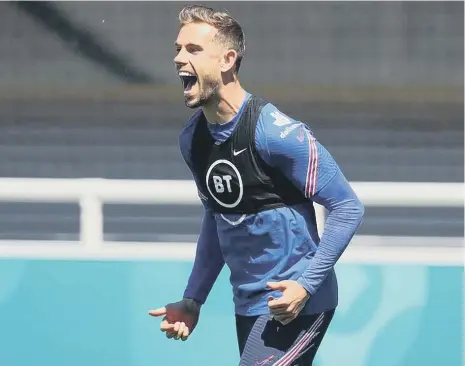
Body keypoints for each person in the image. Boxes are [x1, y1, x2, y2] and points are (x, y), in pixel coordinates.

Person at [149, 4, 365, 365]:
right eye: (178, 49)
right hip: (249, 305)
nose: (178, 58)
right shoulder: (193, 141)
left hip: (297, 304)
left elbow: (347, 207)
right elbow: (218, 218)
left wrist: (305, 285)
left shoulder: (276, 133)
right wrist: (193, 299)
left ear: (227, 59)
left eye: (193, 49)